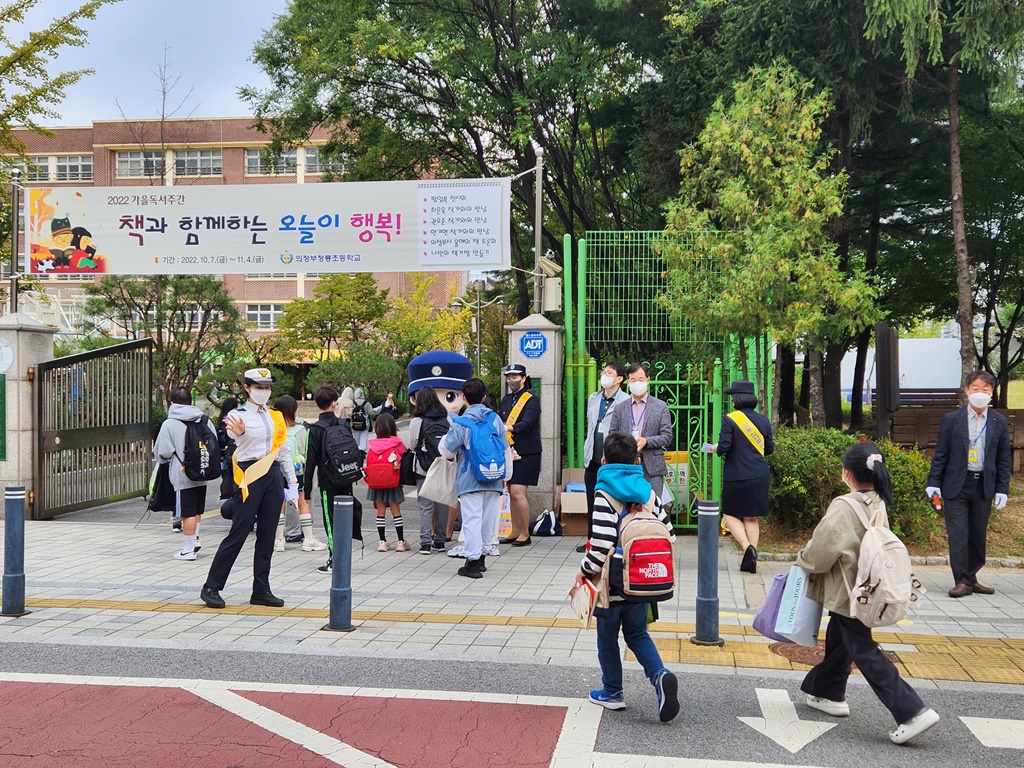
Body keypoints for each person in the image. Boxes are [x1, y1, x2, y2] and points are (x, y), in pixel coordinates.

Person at [797, 441, 940, 745]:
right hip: (870, 589)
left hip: (851, 592)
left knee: (863, 649)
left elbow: (820, 552)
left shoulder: (844, 506)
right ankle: (828, 692)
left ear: (847, 472)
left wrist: (802, 559)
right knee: (841, 639)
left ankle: (911, 712)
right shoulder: (878, 501)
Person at [576, 431, 679, 722]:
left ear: (604, 460)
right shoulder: (648, 492)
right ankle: (660, 677)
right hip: (642, 581)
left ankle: (612, 692)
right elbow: (669, 536)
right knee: (636, 633)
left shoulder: (604, 492)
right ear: (637, 459)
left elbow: (600, 547)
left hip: (613, 584)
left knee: (607, 637)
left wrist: (582, 573)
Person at [200, 369, 297, 609]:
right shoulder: (237, 414)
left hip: (272, 475)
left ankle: (261, 589)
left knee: (267, 534)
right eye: (258, 387)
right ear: (247, 388)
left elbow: (282, 450)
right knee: (240, 531)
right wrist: (240, 433)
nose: (263, 391)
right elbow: (234, 434)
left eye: (267, 387)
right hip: (249, 474)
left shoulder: (275, 416)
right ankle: (211, 586)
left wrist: (293, 483)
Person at [926, 369, 1011, 598]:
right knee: (958, 534)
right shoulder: (952, 420)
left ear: (992, 392)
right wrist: (933, 482)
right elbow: (941, 454)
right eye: (976, 389)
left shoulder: (998, 421)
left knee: (977, 534)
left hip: (984, 485)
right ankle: (961, 580)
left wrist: (1002, 488)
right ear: (967, 391)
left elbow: (1004, 458)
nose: (980, 393)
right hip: (956, 485)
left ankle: (971, 577)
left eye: (985, 389)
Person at [440, 377, 513, 578]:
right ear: (484, 397)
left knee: (472, 518)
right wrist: (506, 475)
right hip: (495, 476)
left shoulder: (461, 421)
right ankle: (481, 558)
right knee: (488, 519)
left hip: (470, 477)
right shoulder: (495, 419)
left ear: (464, 397)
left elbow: (447, 452)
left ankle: (472, 562)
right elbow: (506, 448)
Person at [708, 380, 774, 573]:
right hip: (759, 474)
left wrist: (715, 448)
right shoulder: (763, 420)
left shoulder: (730, 419)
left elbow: (725, 446)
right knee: (751, 517)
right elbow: (769, 448)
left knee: (729, 513)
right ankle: (752, 560)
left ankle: (747, 548)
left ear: (736, 399)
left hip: (737, 474)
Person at [304, 385, 364, 574]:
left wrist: (306, 490)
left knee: (330, 520)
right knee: (344, 519)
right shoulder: (343, 425)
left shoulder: (314, 430)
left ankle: (333, 559)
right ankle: (344, 556)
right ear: (334, 403)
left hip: (327, 482)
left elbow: (310, 462)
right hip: (346, 478)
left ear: (317, 404)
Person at [154, 387, 217, 561]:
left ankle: (188, 550)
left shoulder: (169, 423)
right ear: (191, 402)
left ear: (172, 403)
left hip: (183, 474)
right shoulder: (204, 419)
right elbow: (214, 443)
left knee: (187, 512)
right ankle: (195, 538)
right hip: (202, 471)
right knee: (196, 510)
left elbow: (162, 452)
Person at [577, 361, 630, 553]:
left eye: (610, 373)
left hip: (612, 459)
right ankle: (591, 540)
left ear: (619, 379)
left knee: (613, 500)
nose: (604, 375)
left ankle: (614, 539)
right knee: (592, 500)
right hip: (593, 457)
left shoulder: (625, 400)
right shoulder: (594, 398)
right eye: (604, 372)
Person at [608, 363, 673, 499]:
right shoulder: (620, 408)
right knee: (626, 507)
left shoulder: (660, 407)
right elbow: (612, 436)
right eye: (633, 380)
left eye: (641, 379)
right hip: (625, 466)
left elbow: (667, 436)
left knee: (653, 507)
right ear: (628, 383)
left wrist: (646, 441)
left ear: (648, 381)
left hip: (652, 468)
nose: (637, 383)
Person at [273, 395, 327, 553]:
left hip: (277, 470)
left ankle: (279, 540)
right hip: (297, 471)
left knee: (279, 505)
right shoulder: (301, 430)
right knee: (303, 503)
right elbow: (305, 452)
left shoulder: (275, 429)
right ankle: (309, 539)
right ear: (294, 411)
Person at [498, 363, 542, 546]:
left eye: (515, 377)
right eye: (509, 377)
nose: (511, 380)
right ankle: (514, 530)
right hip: (510, 451)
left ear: (524, 378)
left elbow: (528, 422)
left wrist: (509, 428)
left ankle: (525, 532)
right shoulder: (506, 399)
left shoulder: (531, 399)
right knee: (510, 491)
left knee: (517, 492)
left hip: (527, 452)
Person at [404, 385, 451, 554]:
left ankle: (425, 543)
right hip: (444, 466)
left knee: (425, 505)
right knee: (442, 504)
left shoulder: (417, 421)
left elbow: (412, 445)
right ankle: (440, 541)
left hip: (423, 467)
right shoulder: (447, 419)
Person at [366, 412, 409, 552]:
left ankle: (382, 542)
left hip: (377, 483)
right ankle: (401, 542)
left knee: (381, 511)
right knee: (396, 511)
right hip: (392, 481)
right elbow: (405, 456)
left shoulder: (373, 445)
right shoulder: (397, 443)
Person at [216, 397, 238, 503]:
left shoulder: (221, 420)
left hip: (224, 454)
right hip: (236, 453)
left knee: (226, 475)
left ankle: (227, 492)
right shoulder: (235, 418)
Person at [351, 386, 375, 452]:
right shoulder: (366, 403)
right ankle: (362, 451)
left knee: (356, 437)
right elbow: (371, 412)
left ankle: (356, 451)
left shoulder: (353, 403)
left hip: (355, 423)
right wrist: (380, 408)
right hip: (365, 424)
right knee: (364, 437)